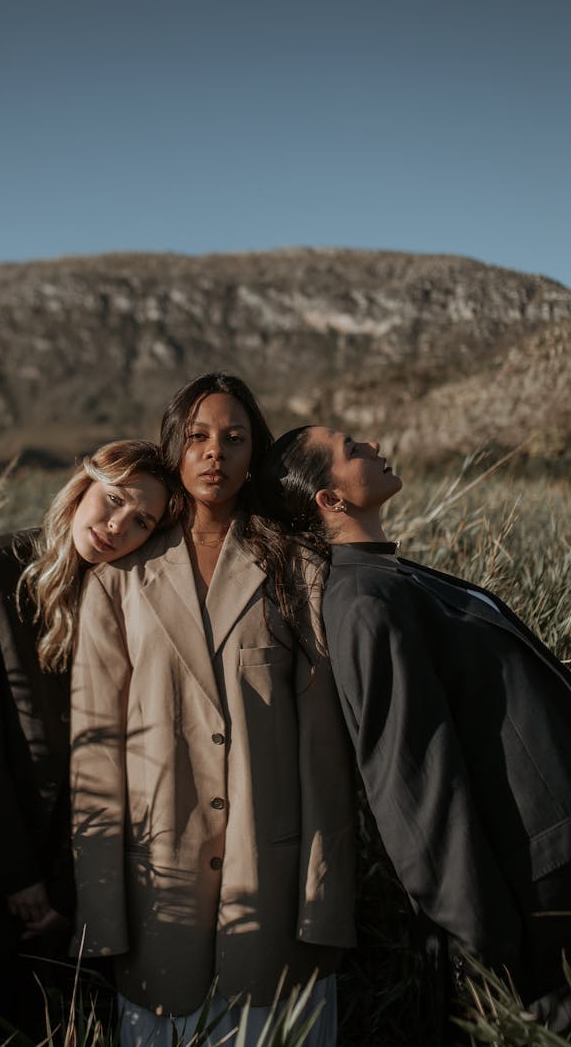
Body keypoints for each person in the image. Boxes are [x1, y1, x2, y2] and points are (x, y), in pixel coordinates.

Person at [256, 425, 571, 1036]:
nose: (372, 442)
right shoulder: (364, 604)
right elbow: (416, 792)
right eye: (352, 448)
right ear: (330, 499)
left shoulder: (398, 577)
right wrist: (482, 966)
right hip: (551, 910)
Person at [70, 375, 356, 1047]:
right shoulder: (120, 579)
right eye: (197, 437)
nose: (214, 454)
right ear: (172, 448)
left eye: (234, 438)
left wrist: (323, 906)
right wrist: (104, 915)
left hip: (276, 892)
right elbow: (96, 754)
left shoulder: (297, 567)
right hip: (158, 902)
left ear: (255, 452)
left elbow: (324, 751)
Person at [0, 439, 176, 1044]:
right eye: (114, 500)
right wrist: (18, 878)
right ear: (82, 488)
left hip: (104, 866)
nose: (117, 527)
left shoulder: (137, 590)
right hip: (6, 860)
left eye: (141, 520)